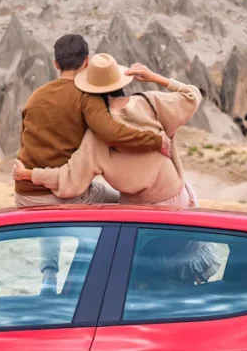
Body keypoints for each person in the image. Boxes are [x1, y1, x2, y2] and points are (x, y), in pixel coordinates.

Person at [14, 35, 170, 293]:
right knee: (118, 204)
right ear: (87, 62)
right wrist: (154, 141)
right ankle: (85, 281)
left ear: (55, 64)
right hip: (63, 193)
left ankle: (49, 276)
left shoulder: (35, 97)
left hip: (26, 194)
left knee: (50, 203)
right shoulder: (86, 96)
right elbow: (112, 133)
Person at [14, 55, 201, 208]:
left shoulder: (96, 139)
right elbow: (192, 96)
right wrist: (154, 77)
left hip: (141, 213)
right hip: (180, 199)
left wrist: (28, 175)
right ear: (121, 82)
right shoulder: (151, 103)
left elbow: (69, 180)